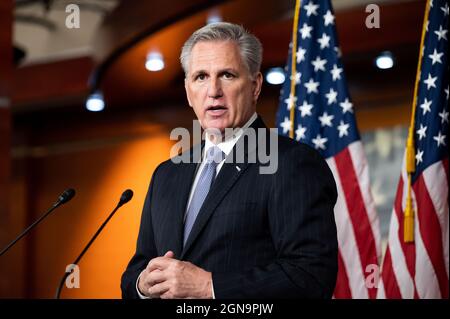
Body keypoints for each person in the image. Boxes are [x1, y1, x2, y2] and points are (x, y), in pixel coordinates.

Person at [121, 22, 338, 299]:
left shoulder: (292, 163)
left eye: (227, 75)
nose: (213, 90)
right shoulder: (167, 174)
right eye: (200, 77)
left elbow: (310, 275)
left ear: (255, 86)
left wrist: (209, 286)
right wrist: (143, 284)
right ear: (189, 92)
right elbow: (135, 272)